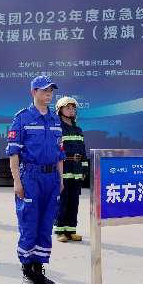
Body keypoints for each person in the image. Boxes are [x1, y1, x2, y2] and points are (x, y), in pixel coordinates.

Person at [7, 75, 64, 284]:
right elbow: (14, 153)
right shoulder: (22, 118)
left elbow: (60, 153)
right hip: (30, 177)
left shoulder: (55, 119)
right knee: (29, 223)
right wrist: (17, 181)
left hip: (51, 178)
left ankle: (39, 270)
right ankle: (27, 271)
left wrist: (61, 179)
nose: (49, 94)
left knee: (46, 223)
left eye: (51, 91)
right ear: (34, 92)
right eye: (44, 90)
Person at [53, 96, 86, 243]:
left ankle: (71, 230)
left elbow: (83, 151)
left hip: (76, 170)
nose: (71, 110)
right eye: (68, 108)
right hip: (63, 169)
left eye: (73, 108)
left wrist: (84, 169)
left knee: (74, 201)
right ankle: (60, 230)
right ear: (60, 110)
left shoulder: (78, 129)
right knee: (62, 201)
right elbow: (55, 151)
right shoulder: (57, 128)